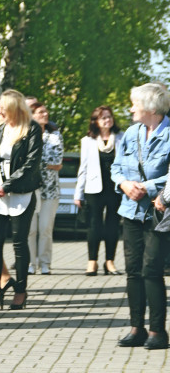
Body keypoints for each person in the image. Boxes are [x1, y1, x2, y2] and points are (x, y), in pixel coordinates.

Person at [114, 83, 170, 350]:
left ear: (150, 107)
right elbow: (116, 167)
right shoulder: (132, 132)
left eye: (134, 103)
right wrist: (124, 184)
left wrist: (147, 187)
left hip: (159, 211)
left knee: (151, 270)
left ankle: (158, 332)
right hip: (130, 209)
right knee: (133, 271)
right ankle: (136, 328)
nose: (131, 108)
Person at [0, 90, 42, 311]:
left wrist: (7, 186)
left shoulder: (32, 129)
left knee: (19, 242)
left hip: (21, 193)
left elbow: (31, 162)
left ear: (14, 108)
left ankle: (21, 291)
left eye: (3, 108)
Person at [75, 105, 123, 275]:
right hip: (94, 188)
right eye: (103, 117)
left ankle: (110, 261)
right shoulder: (87, 141)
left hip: (116, 188)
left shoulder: (121, 138)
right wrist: (78, 193)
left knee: (112, 225)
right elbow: (84, 168)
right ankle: (92, 262)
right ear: (95, 121)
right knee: (94, 225)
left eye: (109, 116)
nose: (107, 120)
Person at [27, 101, 63, 275]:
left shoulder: (55, 136)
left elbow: (57, 163)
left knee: (46, 228)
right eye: (40, 112)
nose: (45, 114)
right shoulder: (25, 135)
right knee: (30, 229)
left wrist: (34, 163)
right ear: (31, 115)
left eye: (45, 112)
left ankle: (45, 263)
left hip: (50, 189)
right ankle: (30, 263)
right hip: (29, 189)